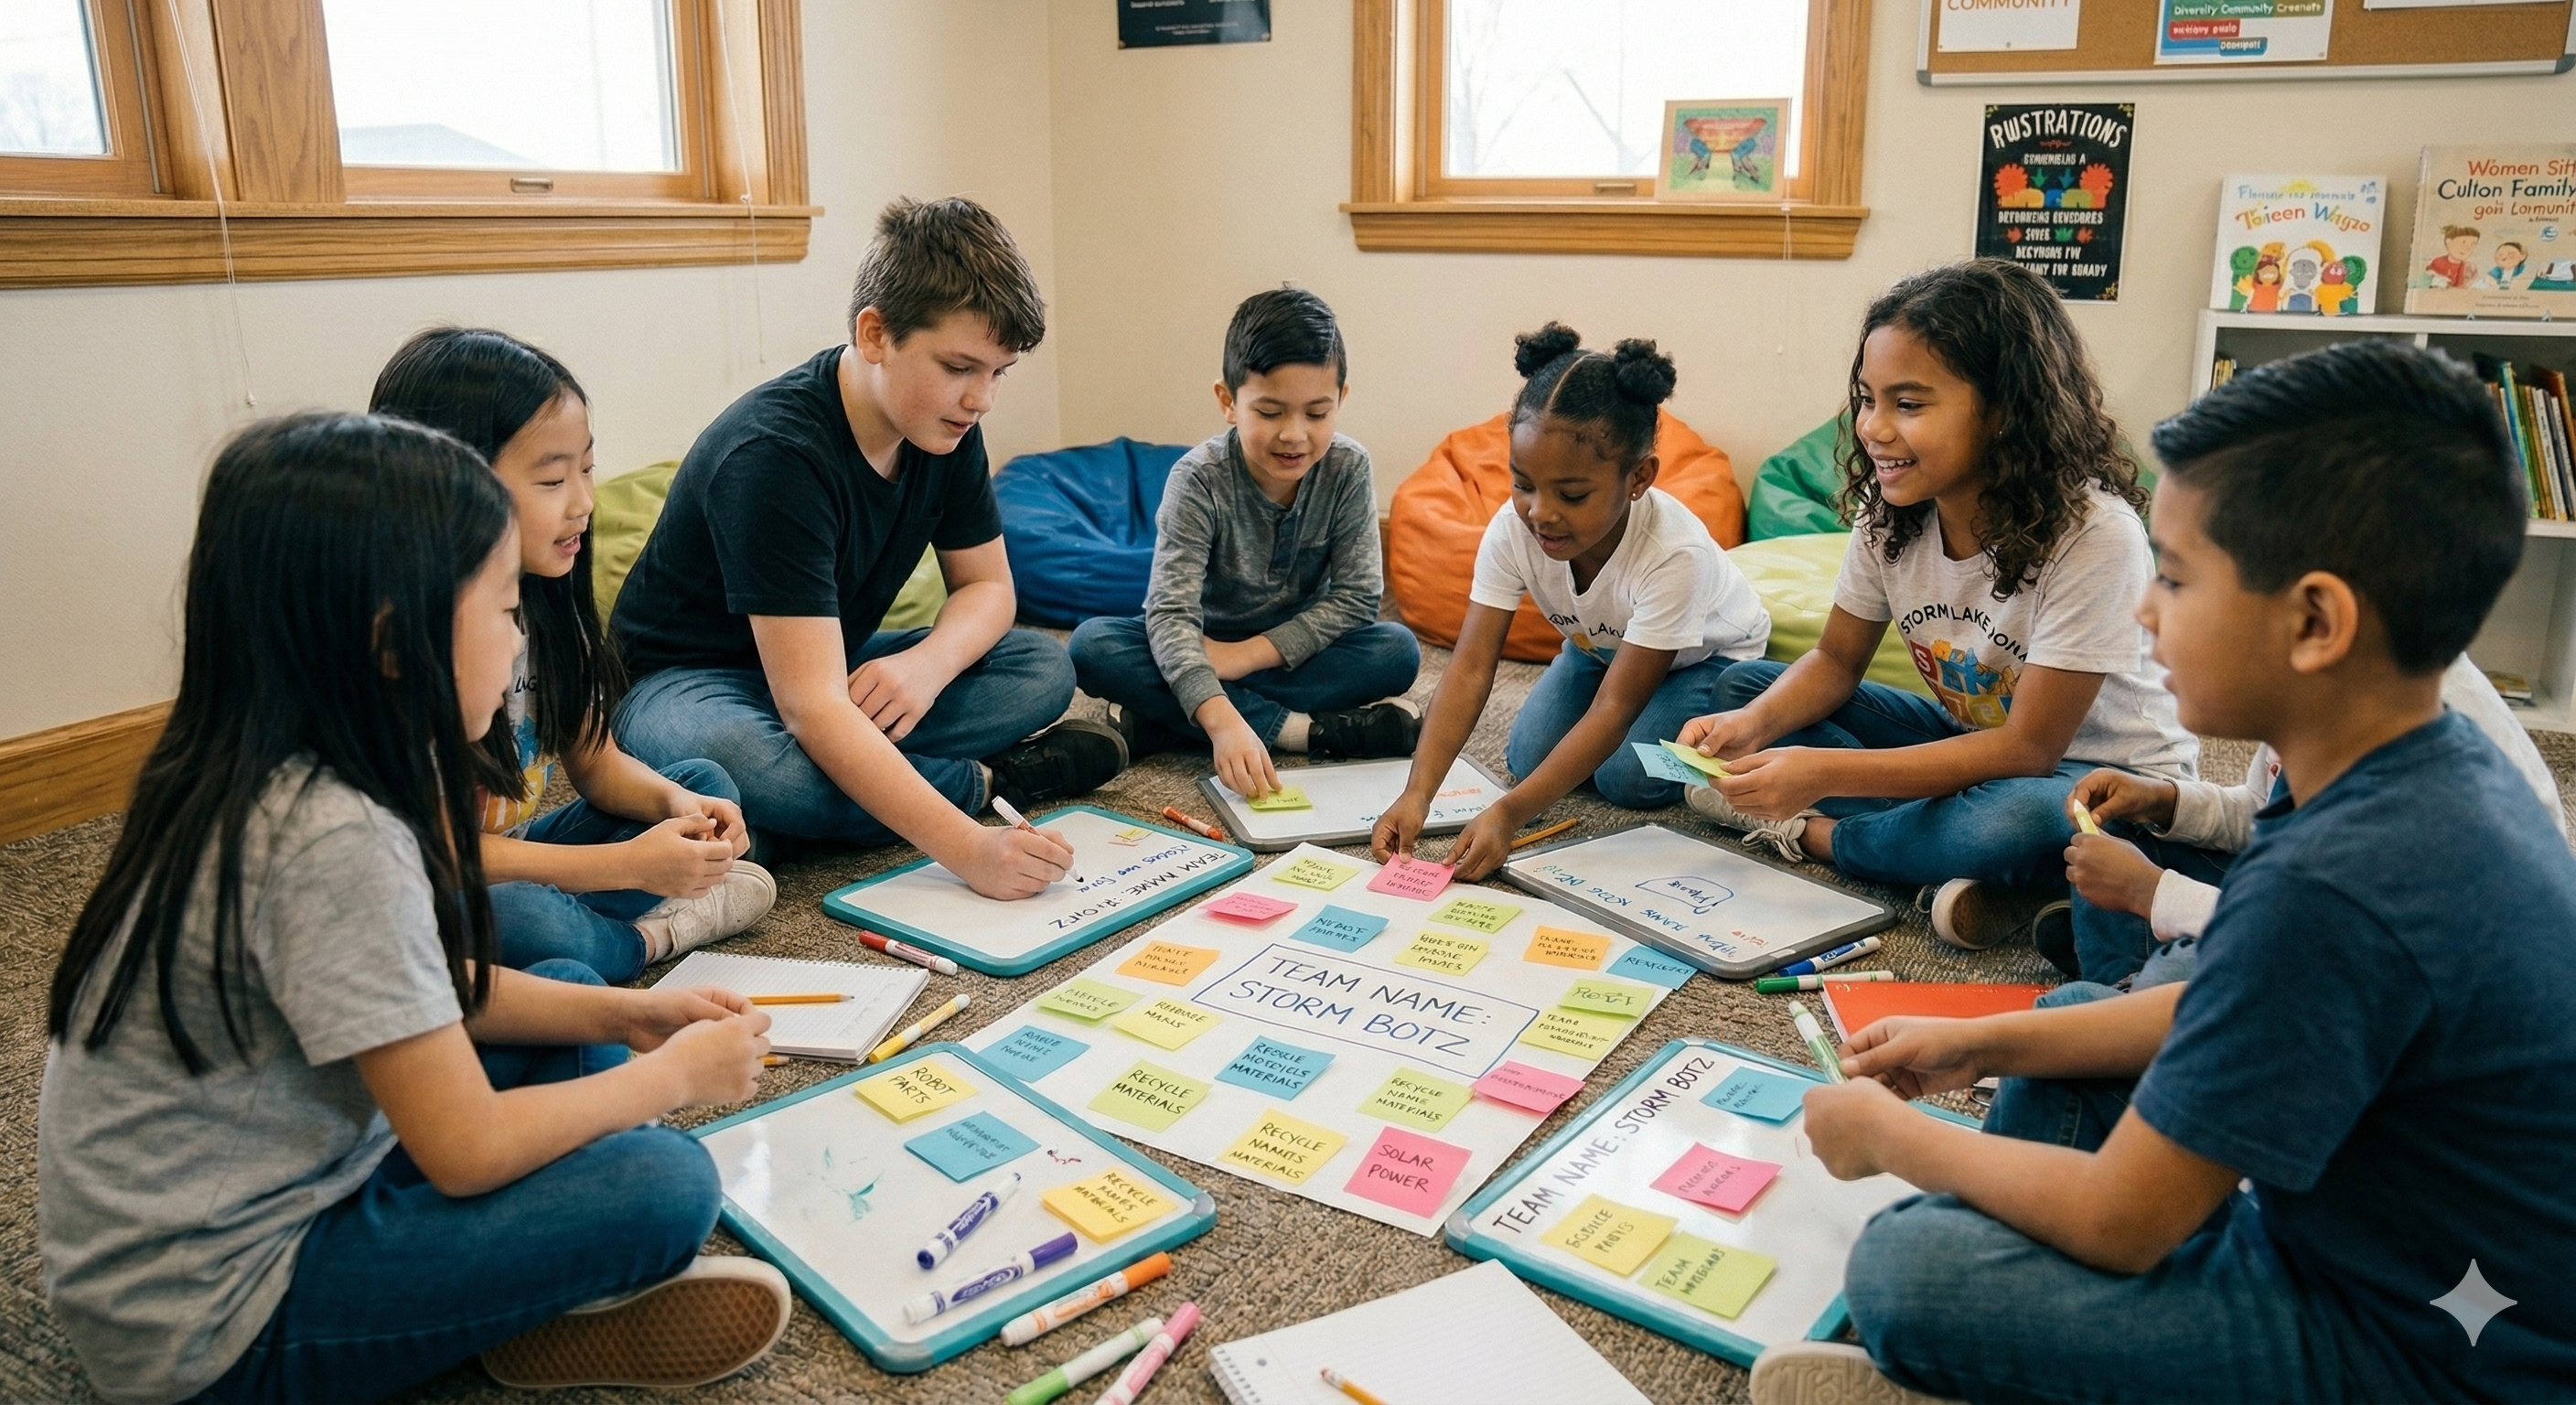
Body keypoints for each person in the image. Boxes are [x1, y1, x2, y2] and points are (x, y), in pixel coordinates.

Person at [1747, 341, 2576, 1405]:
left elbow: (2121, 1221)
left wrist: (1894, 1138)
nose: (2144, 616)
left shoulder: (2338, 882)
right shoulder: (2415, 766)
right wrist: (1979, 1036)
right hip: (2386, 1236)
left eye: (2175, 579)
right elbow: (2209, 1000)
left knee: (1909, 1269)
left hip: (2424, 1351)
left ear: (2314, 621)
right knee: (2080, 1017)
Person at [39, 413, 789, 1405]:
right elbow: (466, 1149)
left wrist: (631, 1015)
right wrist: (674, 1078)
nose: (518, 636)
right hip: (216, 1327)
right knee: (666, 1186)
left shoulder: (266, 769)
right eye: (500, 610)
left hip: (288, 1175)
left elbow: (443, 994)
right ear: (396, 643)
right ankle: (511, 1309)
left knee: (569, 990)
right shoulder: (329, 837)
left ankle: (517, 1295)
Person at [1680, 260, 2196, 951]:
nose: (1874, 429)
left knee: (2015, 820)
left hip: (2099, 786)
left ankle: (1824, 836)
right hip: (1973, 747)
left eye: (1909, 404)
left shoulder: (2096, 534)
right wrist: (1749, 725)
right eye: (1867, 399)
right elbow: (1835, 662)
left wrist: (1820, 777)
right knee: (1750, 685)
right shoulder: (1889, 512)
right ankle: (1977, 868)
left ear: (2008, 410)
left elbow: (2030, 748)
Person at [612, 197, 1122, 898]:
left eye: (997, 373)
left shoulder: (947, 427)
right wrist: (967, 846)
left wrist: (926, 666)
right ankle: (990, 779)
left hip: (827, 667)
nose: (981, 401)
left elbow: (990, 589)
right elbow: (810, 710)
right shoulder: (774, 455)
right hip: (690, 685)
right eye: (959, 367)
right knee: (742, 759)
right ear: (876, 333)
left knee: (1041, 666)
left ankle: (787, 824)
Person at [370, 327, 775, 982]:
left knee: (703, 784)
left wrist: (675, 807)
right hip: (431, 887)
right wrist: (624, 868)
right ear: (449, 485)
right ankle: (649, 938)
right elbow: (433, 853)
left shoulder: (547, 602)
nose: (584, 502)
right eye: (554, 479)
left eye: (586, 469)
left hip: (522, 859)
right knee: (529, 924)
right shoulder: (400, 643)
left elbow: (597, 764)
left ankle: (595, 926)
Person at [1372, 323, 1769, 879]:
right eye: (1523, 484)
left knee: (1624, 778)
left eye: (1572, 494)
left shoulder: (1673, 553)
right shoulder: (1512, 530)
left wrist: (1508, 814)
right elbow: (1468, 668)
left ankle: (1754, 709)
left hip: (1708, 659)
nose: (1540, 512)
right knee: (1528, 756)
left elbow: (1616, 707)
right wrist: (1418, 792)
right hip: (1598, 649)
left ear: (1639, 477)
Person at [1069, 287, 1422, 799]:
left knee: (1397, 652)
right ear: (1228, 402)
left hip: (1289, 651)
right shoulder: (1197, 479)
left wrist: (1243, 658)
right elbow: (1169, 615)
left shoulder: (1349, 468)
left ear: (1341, 400)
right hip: (1200, 640)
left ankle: (1166, 720)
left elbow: (1357, 598)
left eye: (1316, 414)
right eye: (1271, 412)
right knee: (1093, 647)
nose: (1294, 435)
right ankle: (1302, 731)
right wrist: (1220, 719)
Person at [2053, 649, 2566, 988]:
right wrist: (2164, 799)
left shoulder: (2404, 744)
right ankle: (2129, 981)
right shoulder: (2324, 679)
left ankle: (2141, 984)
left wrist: (2152, 893)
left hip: (2403, 971)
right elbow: (2263, 812)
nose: (2150, 614)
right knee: (2121, 826)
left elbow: (2326, 933)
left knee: (2098, 1007)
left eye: (2184, 582)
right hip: (2318, 912)